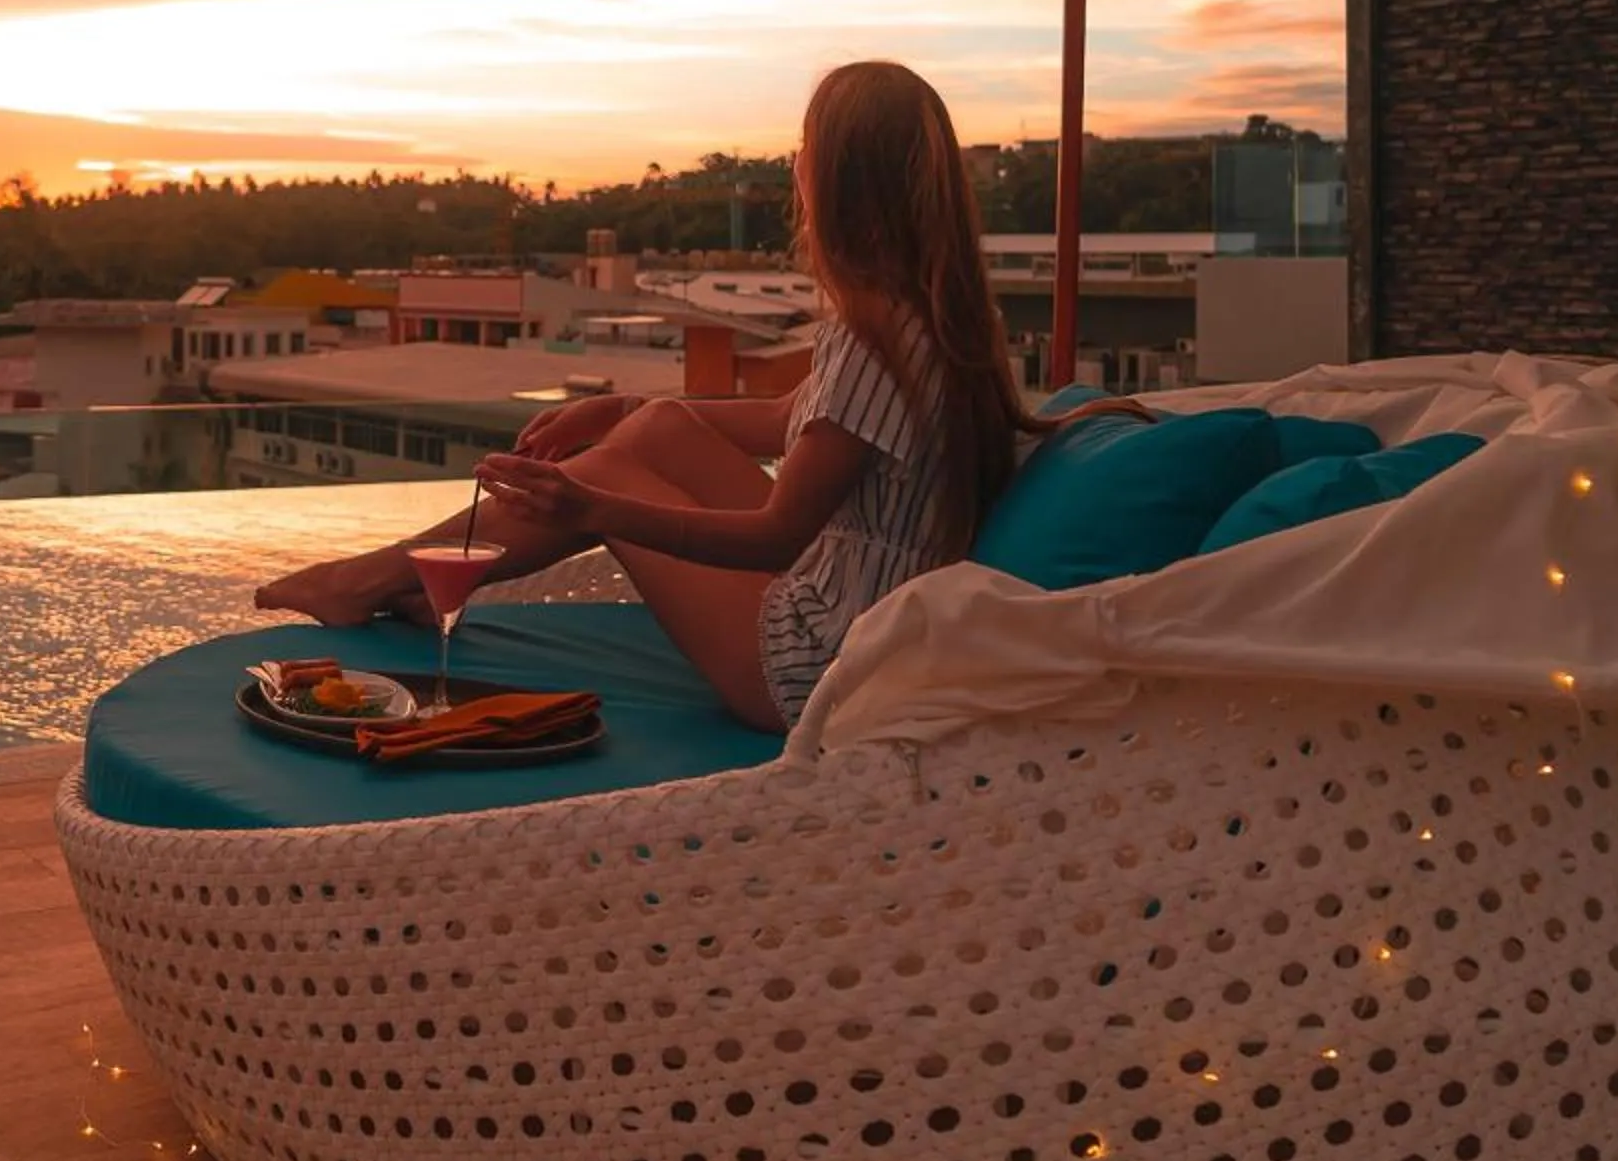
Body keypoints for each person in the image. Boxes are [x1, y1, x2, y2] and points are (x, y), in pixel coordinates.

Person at [256, 60, 1108, 732]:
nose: (795, 164)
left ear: (836, 183)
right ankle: (406, 582)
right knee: (658, 425)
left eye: (805, 148)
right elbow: (781, 422)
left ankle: (375, 579)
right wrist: (622, 408)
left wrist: (597, 510)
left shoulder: (872, 341)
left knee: (611, 475)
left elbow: (777, 536)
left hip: (815, 664)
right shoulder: (932, 320)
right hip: (862, 616)